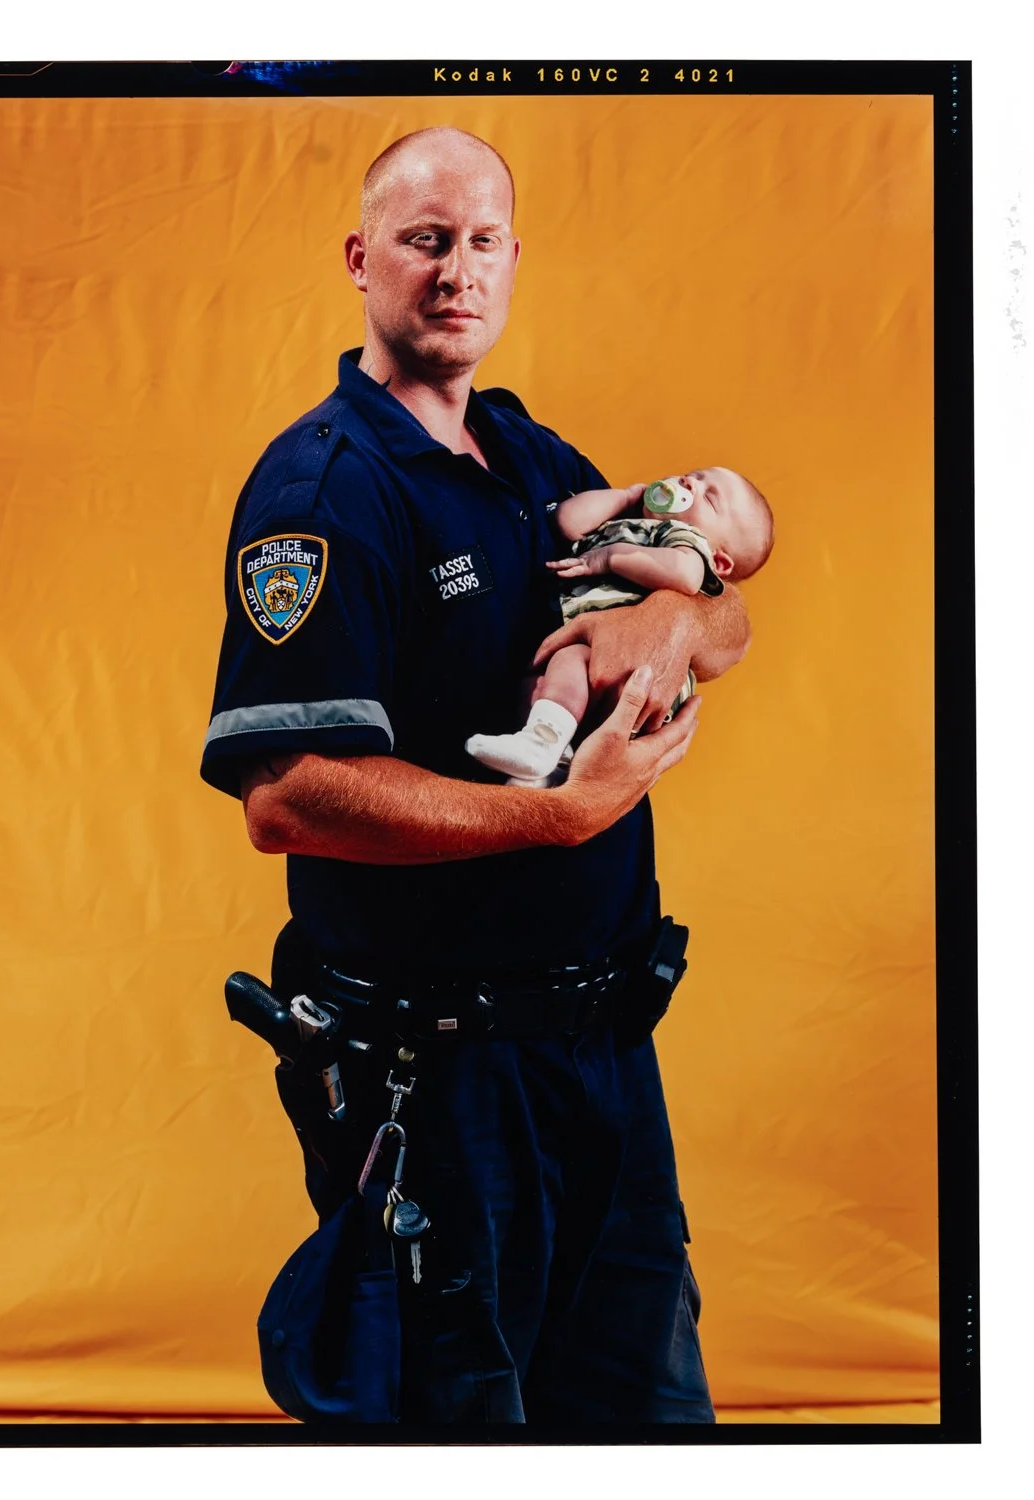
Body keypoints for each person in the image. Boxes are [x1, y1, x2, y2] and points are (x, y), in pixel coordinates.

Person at [201, 126, 751, 1425]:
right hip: (437, 1081)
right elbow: (286, 795)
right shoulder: (325, 490)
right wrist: (550, 815)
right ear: (361, 259)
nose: (456, 270)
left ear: (512, 260)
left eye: (481, 242)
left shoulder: (526, 463)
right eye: (424, 239)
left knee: (636, 1416)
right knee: (452, 1426)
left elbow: (718, 608)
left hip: (602, 1053)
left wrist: (665, 625)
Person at [466, 468, 774, 783]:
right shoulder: (626, 523)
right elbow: (567, 521)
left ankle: (539, 745)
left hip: (629, 667)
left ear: (720, 562)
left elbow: (686, 574)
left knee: (568, 661)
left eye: (709, 498)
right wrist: (626, 496)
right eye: (693, 475)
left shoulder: (684, 539)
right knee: (532, 686)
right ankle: (545, 768)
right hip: (590, 654)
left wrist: (610, 557)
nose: (690, 483)